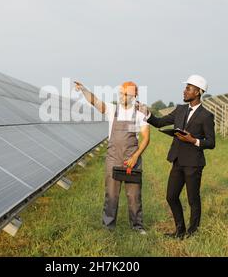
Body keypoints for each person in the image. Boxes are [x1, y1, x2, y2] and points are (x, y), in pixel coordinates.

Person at [137, 75, 215, 239]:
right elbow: (159, 122)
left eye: (188, 88)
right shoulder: (180, 109)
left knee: (193, 198)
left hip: (193, 163)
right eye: (185, 88)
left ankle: (192, 233)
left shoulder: (206, 116)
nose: (184, 91)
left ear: (198, 92)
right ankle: (180, 230)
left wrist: (193, 140)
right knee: (171, 196)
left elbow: (211, 142)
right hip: (178, 160)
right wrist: (147, 113)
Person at [74, 81, 150, 234]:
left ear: (134, 96)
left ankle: (137, 226)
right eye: (121, 93)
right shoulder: (112, 109)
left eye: (126, 94)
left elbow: (146, 138)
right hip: (113, 158)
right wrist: (83, 89)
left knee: (134, 195)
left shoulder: (140, 113)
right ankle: (108, 226)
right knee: (111, 193)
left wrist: (135, 157)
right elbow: (94, 101)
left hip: (131, 160)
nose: (122, 96)